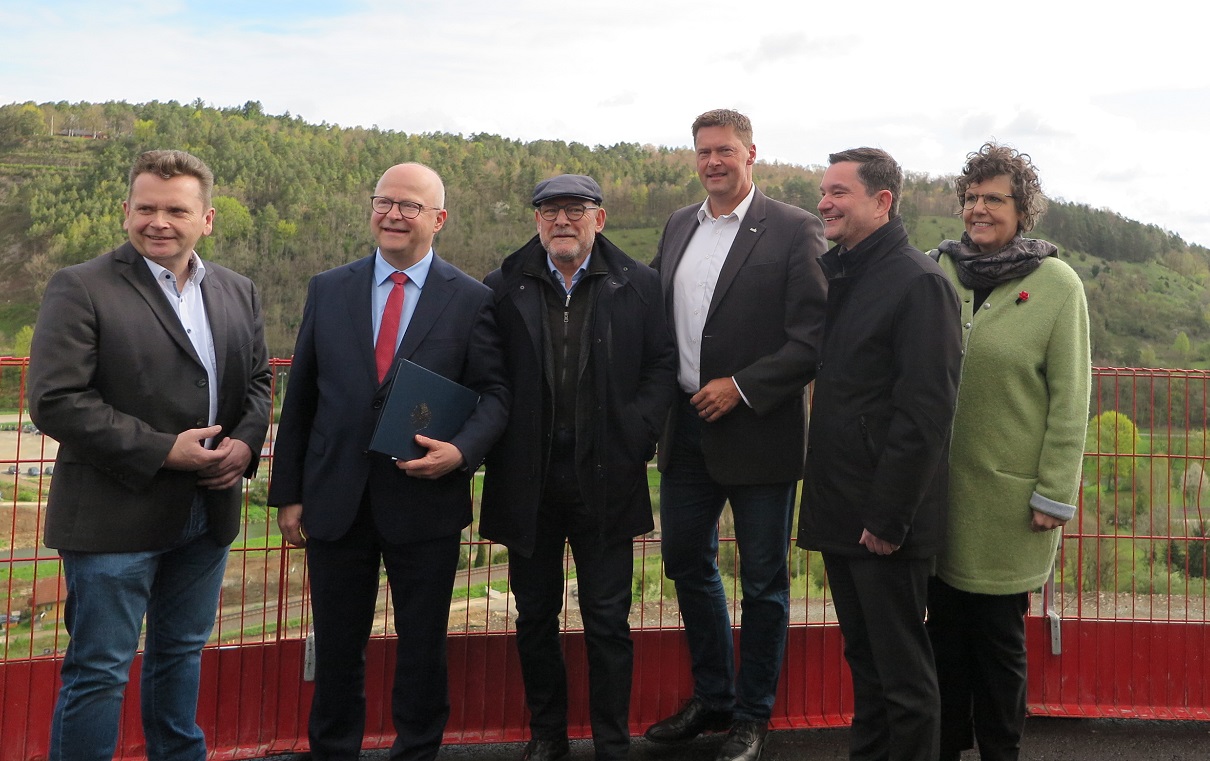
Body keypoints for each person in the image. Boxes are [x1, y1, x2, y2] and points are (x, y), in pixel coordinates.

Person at [27, 149, 272, 761]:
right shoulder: (80, 286)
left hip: (208, 512)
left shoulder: (238, 291)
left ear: (207, 219)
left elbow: (260, 383)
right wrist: (166, 452)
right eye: (146, 208)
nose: (158, 221)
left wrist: (244, 442)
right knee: (100, 671)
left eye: (176, 210)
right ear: (125, 211)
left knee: (180, 655)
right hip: (115, 515)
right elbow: (56, 400)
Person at [267, 162, 509, 761]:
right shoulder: (329, 287)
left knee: (423, 645)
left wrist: (461, 452)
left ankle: (418, 749)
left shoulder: (473, 299)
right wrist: (289, 492)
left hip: (424, 500)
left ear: (439, 220)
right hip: (334, 498)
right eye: (384, 202)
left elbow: (496, 395)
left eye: (409, 206)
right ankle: (332, 750)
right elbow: (300, 398)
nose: (394, 215)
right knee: (338, 645)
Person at [644, 109, 828, 761]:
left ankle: (753, 714)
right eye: (702, 151)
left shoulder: (795, 230)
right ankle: (714, 696)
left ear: (753, 153)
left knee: (763, 581)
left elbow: (811, 338)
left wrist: (742, 385)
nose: (713, 161)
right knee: (684, 562)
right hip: (685, 431)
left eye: (724, 149)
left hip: (759, 431)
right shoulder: (677, 226)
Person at [480, 174, 677, 761]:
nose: (561, 221)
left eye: (575, 210)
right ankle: (548, 736)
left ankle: (612, 740)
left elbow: (663, 366)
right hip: (527, 480)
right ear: (536, 220)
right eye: (549, 211)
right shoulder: (502, 285)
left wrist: (634, 434)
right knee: (535, 615)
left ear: (601, 217)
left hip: (607, 477)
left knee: (608, 621)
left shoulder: (639, 285)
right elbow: (488, 375)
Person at [926, 143, 1091, 761]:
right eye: (971, 198)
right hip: (938, 499)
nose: (979, 209)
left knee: (997, 643)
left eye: (995, 198)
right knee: (943, 637)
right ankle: (946, 747)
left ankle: (1000, 751)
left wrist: (1054, 492)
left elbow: (1071, 400)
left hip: (1010, 503)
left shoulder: (1057, 285)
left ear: (1023, 210)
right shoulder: (937, 270)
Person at [796, 147, 962, 761]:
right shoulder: (846, 274)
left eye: (839, 192)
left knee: (904, 680)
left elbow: (924, 415)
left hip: (882, 523)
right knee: (866, 668)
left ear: (882, 201)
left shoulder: (919, 284)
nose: (825, 202)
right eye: (824, 191)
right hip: (846, 512)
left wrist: (888, 519)